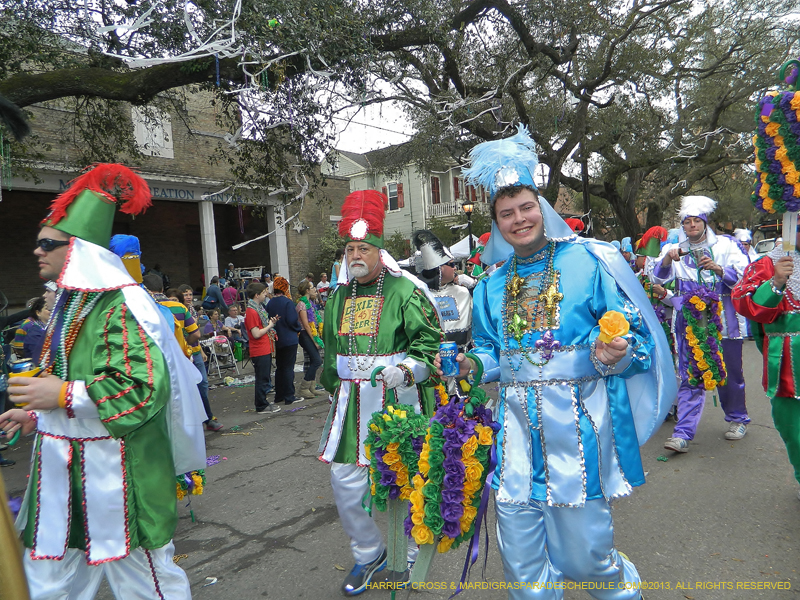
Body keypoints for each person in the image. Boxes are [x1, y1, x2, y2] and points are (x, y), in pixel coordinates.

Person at [438, 127, 674, 600]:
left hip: (579, 432)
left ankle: (622, 589)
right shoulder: (488, 286)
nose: (519, 219)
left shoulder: (590, 261)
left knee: (583, 559)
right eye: (506, 213)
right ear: (497, 222)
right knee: (522, 566)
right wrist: (471, 367)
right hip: (515, 437)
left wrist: (618, 351)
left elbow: (638, 337)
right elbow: (491, 352)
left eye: (526, 207)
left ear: (541, 208)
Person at [0, 163, 206, 599]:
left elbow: (142, 388)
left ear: (76, 251)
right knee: (49, 583)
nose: (36, 252)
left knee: (147, 586)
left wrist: (58, 394)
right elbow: (77, 383)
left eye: (46, 244)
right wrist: (41, 414)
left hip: (116, 480)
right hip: (64, 477)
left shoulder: (120, 305)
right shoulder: (70, 305)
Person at [319, 190, 443, 596]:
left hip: (397, 402)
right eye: (350, 248)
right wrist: (333, 387)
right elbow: (330, 351)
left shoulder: (405, 290)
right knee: (346, 484)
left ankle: (405, 556)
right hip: (350, 406)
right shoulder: (338, 296)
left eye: (363, 248)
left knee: (404, 479)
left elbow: (429, 344)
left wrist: (407, 370)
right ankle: (368, 551)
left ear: (378, 250)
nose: (355, 255)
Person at [652, 195, 750, 452]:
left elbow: (745, 278)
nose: (692, 225)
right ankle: (683, 432)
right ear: (682, 225)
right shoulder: (673, 249)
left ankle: (738, 418)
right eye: (687, 221)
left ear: (705, 223)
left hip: (723, 321)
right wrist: (665, 261)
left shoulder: (726, 245)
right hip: (689, 321)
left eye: (697, 221)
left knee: (729, 373)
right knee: (690, 374)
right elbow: (655, 278)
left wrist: (719, 270)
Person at [732, 227, 800, 498]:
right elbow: (745, 304)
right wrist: (775, 283)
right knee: (794, 429)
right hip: (789, 364)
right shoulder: (765, 263)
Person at [412, 229, 472, 350]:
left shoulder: (463, 292)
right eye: (451, 264)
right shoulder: (420, 295)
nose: (455, 268)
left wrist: (475, 286)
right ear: (439, 268)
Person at [177, 284, 223, 431]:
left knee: (203, 384)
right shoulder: (178, 311)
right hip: (185, 353)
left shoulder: (191, 310)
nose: (189, 297)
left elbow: (196, 334)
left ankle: (207, 417)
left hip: (196, 351)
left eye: (190, 294)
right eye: (186, 294)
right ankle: (201, 419)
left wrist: (201, 351)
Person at [267, 276, 304, 406]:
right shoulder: (287, 302)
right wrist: (297, 329)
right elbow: (292, 320)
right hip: (289, 338)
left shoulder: (270, 303)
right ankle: (289, 396)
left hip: (277, 338)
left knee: (280, 367)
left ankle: (279, 395)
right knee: (288, 368)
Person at [244, 282, 281, 413]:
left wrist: (271, 323)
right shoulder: (252, 312)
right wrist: (270, 326)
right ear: (256, 295)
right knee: (262, 378)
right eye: (264, 292)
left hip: (264, 348)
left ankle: (263, 402)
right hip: (259, 349)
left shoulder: (257, 309)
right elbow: (256, 333)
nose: (266, 294)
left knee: (264, 377)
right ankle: (261, 405)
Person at [296, 281, 324, 399]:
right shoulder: (302, 304)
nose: (314, 290)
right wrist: (314, 340)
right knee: (317, 360)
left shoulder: (311, 303)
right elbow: (306, 325)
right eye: (312, 288)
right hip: (305, 335)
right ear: (307, 290)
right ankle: (304, 387)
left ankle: (311, 386)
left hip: (311, 334)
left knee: (314, 360)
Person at [11, 296, 50, 361]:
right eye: (48, 309)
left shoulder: (52, 325)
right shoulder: (29, 327)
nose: (53, 311)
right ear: (38, 312)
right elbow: (19, 349)